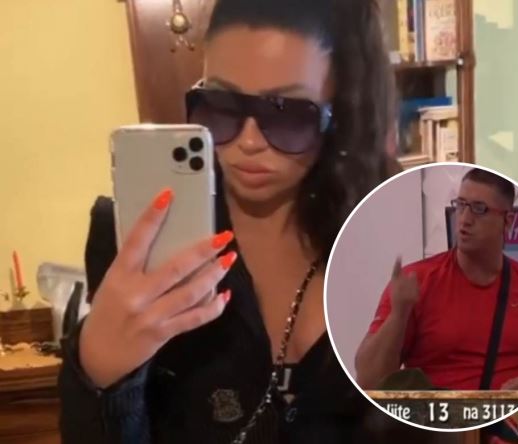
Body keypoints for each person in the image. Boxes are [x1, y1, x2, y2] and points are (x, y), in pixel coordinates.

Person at [56, 0, 443, 443]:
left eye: (286, 112)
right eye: (221, 105)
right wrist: (101, 375)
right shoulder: (132, 238)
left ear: (341, 113)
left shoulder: (396, 227)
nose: (248, 141)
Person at [355, 168, 518, 392]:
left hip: (514, 414)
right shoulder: (417, 282)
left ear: (507, 221)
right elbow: (368, 381)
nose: (464, 220)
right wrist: (399, 314)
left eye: (479, 209)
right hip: (436, 414)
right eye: (461, 205)